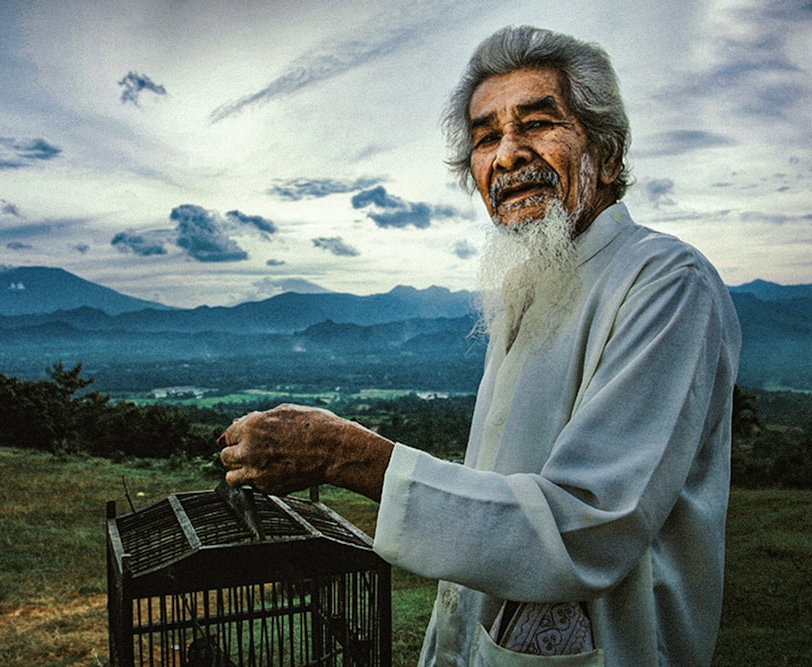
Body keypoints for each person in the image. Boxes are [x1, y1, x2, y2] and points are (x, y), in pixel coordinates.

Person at [219, 25, 741, 666]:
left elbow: (588, 526)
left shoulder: (666, 282)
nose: (509, 155)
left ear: (605, 154)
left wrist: (342, 454)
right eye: (486, 137)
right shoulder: (529, 285)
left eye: (537, 123)